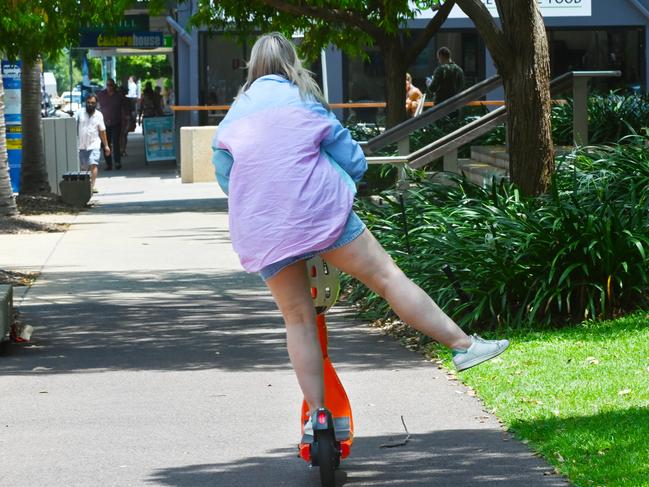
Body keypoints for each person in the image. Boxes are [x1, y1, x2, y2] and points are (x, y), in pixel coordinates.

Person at [211, 32, 508, 432]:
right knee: (387, 278)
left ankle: (318, 416)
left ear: (253, 67)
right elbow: (351, 158)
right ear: (290, 63)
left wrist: (266, 200)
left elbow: (227, 179)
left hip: (266, 229)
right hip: (322, 216)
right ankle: (464, 346)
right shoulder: (304, 101)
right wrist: (343, 184)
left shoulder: (234, 115)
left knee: (297, 317)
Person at [76, 94, 110, 193]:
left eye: (92, 103)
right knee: (84, 167)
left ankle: (92, 186)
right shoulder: (79, 113)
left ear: (96, 104)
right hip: (81, 145)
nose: (90, 105)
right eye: (88, 102)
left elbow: (102, 131)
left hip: (94, 144)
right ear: (85, 102)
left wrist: (106, 146)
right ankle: (85, 185)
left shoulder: (99, 115)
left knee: (93, 164)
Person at [96, 78, 124, 170]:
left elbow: (124, 108)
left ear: (114, 85)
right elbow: (95, 105)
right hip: (104, 123)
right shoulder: (101, 95)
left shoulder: (119, 95)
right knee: (105, 143)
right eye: (108, 85)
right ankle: (109, 164)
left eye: (111, 85)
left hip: (116, 122)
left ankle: (117, 162)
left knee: (116, 143)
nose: (110, 87)